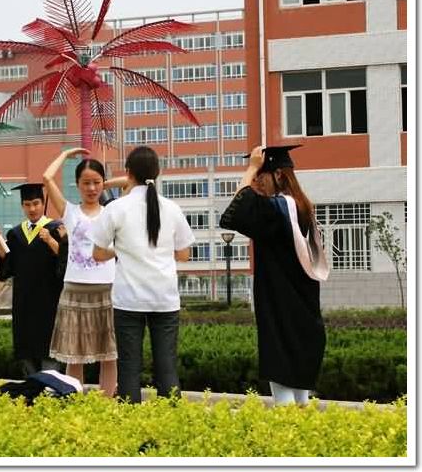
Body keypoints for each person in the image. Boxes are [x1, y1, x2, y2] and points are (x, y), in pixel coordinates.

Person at [219, 145, 329, 406]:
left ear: (278, 174)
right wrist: (255, 170)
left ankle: (286, 426)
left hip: (278, 303)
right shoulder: (302, 207)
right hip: (304, 305)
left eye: (261, 176)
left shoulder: (276, 210)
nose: (256, 182)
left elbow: (235, 210)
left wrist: (250, 167)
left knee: (281, 372)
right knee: (299, 380)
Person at [91, 146, 195, 403]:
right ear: (157, 173)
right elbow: (184, 254)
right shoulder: (171, 208)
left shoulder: (116, 208)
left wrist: (121, 250)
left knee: (128, 366)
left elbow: (98, 253)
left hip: (128, 299)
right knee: (167, 366)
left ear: (128, 173)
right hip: (165, 298)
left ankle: (131, 419)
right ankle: (171, 419)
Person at [42, 148, 128, 397]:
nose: (91, 188)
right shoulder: (69, 212)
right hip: (75, 289)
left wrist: (104, 184)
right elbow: (47, 178)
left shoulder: (113, 211)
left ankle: (107, 402)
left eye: (96, 183)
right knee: (74, 354)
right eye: (86, 183)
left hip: (108, 289)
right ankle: (75, 401)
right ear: (77, 184)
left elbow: (133, 183)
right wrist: (65, 154)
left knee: (109, 354)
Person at [0, 183, 64, 378]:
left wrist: (50, 240)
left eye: (36, 203)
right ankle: (31, 385)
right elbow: (8, 268)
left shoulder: (56, 228)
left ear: (43, 203)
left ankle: (51, 385)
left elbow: (67, 260)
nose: (32, 209)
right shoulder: (15, 234)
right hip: (24, 303)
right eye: (27, 204)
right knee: (26, 348)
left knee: (49, 346)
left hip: (50, 302)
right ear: (22, 206)